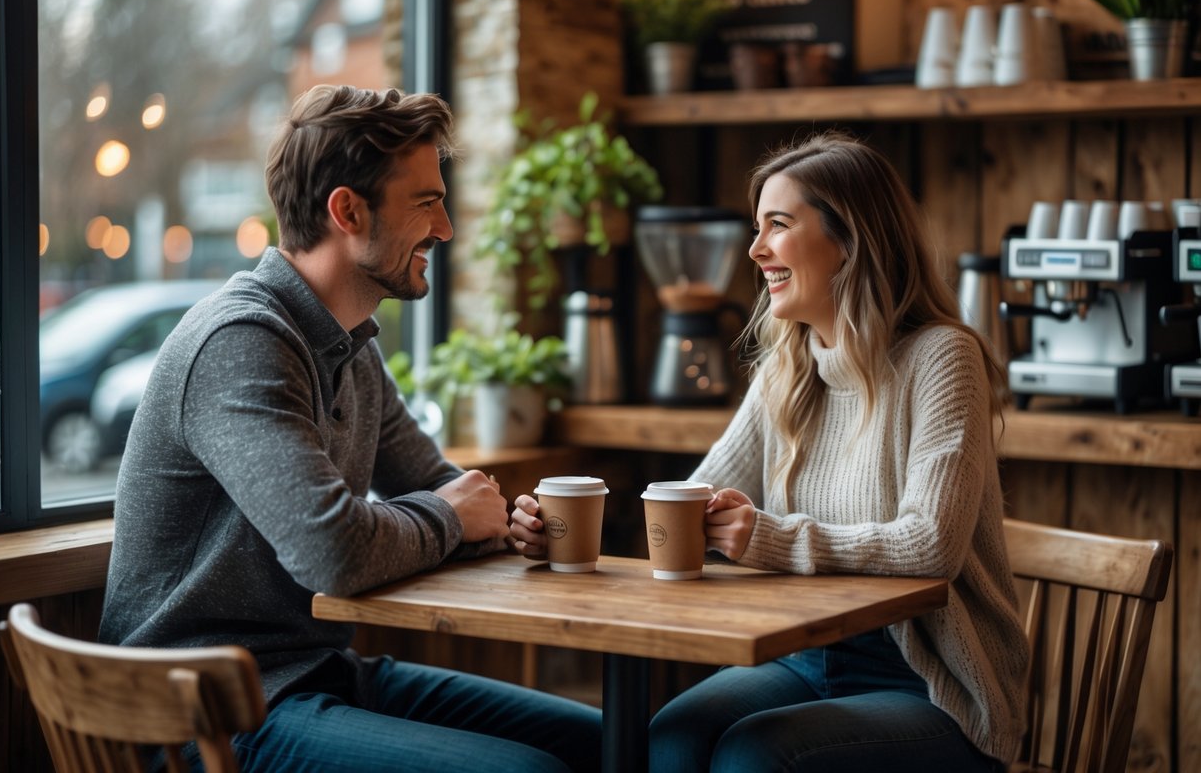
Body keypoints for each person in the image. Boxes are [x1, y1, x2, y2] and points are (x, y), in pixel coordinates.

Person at [100, 84, 601, 773]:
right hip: (201, 716)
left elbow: (437, 486)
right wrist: (453, 518)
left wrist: (504, 521)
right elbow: (331, 552)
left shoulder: (349, 346)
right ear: (347, 210)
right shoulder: (241, 341)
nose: (447, 228)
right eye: (426, 202)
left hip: (312, 674)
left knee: (608, 741)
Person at [510, 132, 1028, 772]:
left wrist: (772, 537)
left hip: (927, 682)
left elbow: (932, 544)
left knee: (755, 755)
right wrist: (560, 525)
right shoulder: (789, 364)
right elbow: (692, 497)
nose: (754, 251)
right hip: (805, 655)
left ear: (851, 240)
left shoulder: (942, 357)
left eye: (777, 226)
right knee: (673, 733)